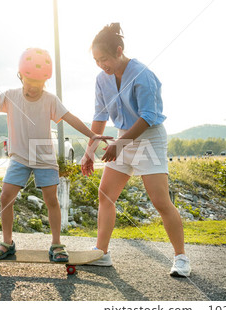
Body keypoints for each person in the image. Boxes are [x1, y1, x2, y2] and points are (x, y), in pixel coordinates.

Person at [0, 48, 111, 263]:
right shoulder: (10, 96)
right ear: (21, 76)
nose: (33, 88)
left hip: (45, 160)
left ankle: (57, 245)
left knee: (51, 200)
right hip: (19, 158)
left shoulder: (50, 100)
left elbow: (70, 117)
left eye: (38, 84)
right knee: (5, 197)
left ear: (45, 81)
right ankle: (7, 243)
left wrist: (92, 134)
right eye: (29, 82)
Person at [81, 23, 191, 277]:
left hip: (148, 137)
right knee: (105, 194)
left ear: (119, 50)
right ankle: (102, 252)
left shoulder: (142, 75)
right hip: (123, 137)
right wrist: (89, 152)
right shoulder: (101, 79)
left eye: (104, 58)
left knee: (160, 201)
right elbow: (99, 119)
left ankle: (181, 258)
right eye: (96, 60)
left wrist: (120, 145)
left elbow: (148, 117)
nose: (101, 64)